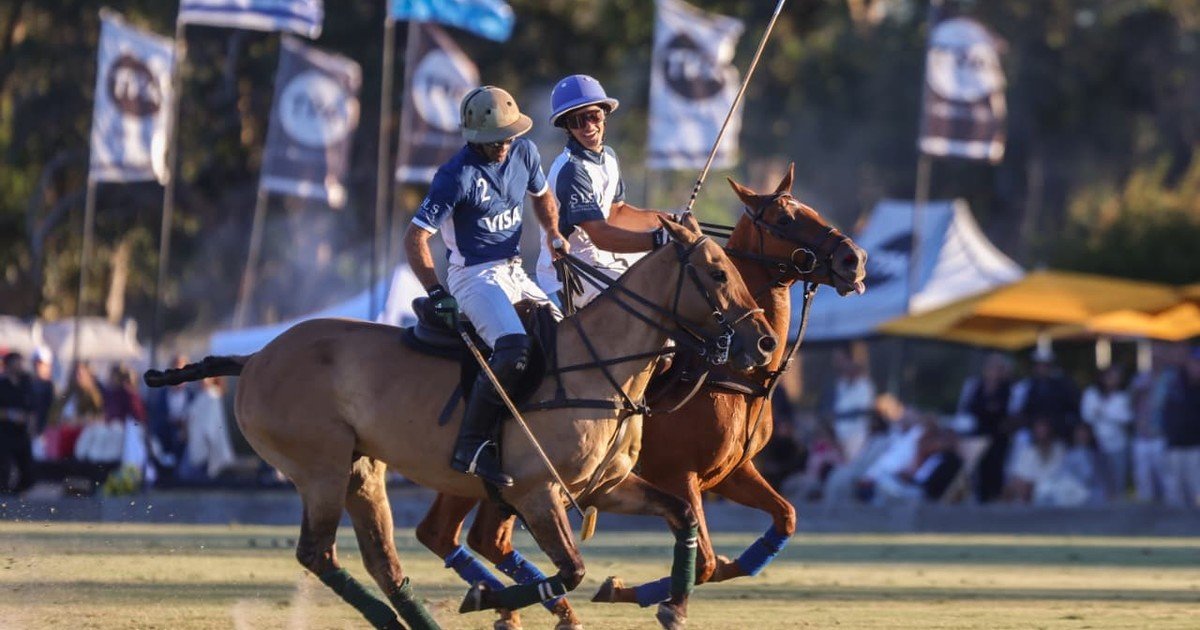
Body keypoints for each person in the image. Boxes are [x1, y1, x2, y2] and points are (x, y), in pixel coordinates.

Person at [403, 85, 566, 488]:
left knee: (566, 341)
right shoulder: (455, 176)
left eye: (507, 137)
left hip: (513, 270)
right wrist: (436, 291)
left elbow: (543, 197)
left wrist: (554, 234)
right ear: (474, 139)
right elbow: (414, 238)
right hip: (471, 276)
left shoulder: (524, 153)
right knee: (514, 348)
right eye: (493, 141)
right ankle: (472, 446)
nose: (502, 146)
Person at [535, 74, 674, 309]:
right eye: (578, 121)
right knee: (652, 291)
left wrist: (667, 221)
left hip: (602, 258)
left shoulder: (608, 156)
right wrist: (658, 239)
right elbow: (600, 234)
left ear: (604, 115)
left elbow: (616, 212)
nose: (589, 126)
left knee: (677, 272)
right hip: (571, 270)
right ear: (567, 127)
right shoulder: (572, 171)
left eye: (593, 116)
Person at [958, 352, 1013, 502]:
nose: (994, 372)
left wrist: (989, 410)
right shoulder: (976, 387)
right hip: (978, 434)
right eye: (992, 368)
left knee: (995, 467)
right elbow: (971, 408)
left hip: (997, 436)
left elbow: (1003, 410)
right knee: (977, 468)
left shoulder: (1007, 389)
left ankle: (994, 496)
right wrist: (989, 409)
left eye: (998, 369)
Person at [1081, 366, 1133, 500]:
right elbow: (1087, 415)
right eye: (1109, 377)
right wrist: (1110, 415)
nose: (1112, 380)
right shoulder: (1091, 394)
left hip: (1118, 446)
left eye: (1116, 377)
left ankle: (1118, 511)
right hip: (1097, 446)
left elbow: (1126, 418)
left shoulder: (1122, 397)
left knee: (1118, 481)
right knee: (1100, 482)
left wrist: (1102, 412)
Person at [1160, 346, 1200, 507]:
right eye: (1195, 363)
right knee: (1174, 489)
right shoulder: (1174, 383)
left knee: (1195, 487)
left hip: (1196, 446)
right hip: (1174, 445)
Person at [180, 377, 235, 481]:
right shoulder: (201, 395)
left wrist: (208, 438)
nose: (202, 381)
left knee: (192, 475)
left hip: (205, 444)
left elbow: (211, 423)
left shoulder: (212, 395)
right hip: (195, 442)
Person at [0, 352, 34, 494]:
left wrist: (32, 428)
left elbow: (32, 409)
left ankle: (16, 496)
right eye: (16, 363)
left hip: (22, 433)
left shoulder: (26, 383)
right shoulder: (2, 385)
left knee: (28, 471)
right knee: (4, 470)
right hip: (4, 433)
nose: (20, 366)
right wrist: (11, 415)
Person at [28, 347, 56, 438]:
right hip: (28, 433)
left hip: (46, 434)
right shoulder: (27, 384)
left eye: (41, 363)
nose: (37, 366)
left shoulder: (52, 387)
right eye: (36, 363)